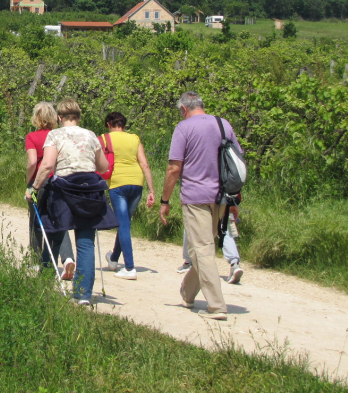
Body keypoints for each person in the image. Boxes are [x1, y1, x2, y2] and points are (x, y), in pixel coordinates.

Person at [159, 91, 241, 321]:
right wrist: (236, 197)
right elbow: (236, 162)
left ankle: (216, 305)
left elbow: (174, 168)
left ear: (184, 109)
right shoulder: (223, 124)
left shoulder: (183, 128)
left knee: (203, 250)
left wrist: (165, 201)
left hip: (195, 196)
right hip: (222, 196)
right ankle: (187, 291)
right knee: (202, 249)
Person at [25, 98, 114, 305]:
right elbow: (102, 167)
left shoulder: (55, 135)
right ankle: (83, 294)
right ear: (79, 117)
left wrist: (34, 188)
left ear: (60, 117)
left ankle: (46, 284)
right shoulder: (91, 135)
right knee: (85, 242)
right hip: (89, 189)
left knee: (54, 235)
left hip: (64, 188)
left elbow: (47, 166)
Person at [100, 112, 156, 280]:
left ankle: (130, 267)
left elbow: (98, 162)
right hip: (137, 183)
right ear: (123, 125)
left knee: (123, 224)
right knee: (124, 221)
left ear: (109, 124)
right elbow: (144, 164)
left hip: (118, 183)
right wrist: (151, 190)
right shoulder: (134, 138)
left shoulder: (103, 139)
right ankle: (114, 259)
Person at [26, 102, 75, 281]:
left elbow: (32, 162)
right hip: (61, 179)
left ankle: (37, 260)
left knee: (36, 222)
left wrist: (29, 183)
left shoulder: (32, 136)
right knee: (60, 221)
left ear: (36, 117)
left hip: (41, 180)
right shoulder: (59, 135)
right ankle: (68, 257)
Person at [178, 203, 244, 284]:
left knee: (191, 223)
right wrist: (233, 204)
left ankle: (189, 262)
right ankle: (235, 264)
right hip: (221, 199)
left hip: (200, 199)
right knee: (224, 227)